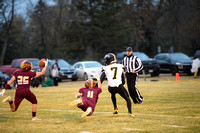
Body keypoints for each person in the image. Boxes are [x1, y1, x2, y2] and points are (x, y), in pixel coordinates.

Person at [100, 53, 133, 117]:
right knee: (127, 99)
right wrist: (122, 84)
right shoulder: (120, 66)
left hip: (110, 88)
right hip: (119, 86)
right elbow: (123, 77)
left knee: (113, 94)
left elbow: (101, 79)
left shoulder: (105, 68)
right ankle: (130, 113)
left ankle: (115, 109)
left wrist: (96, 85)